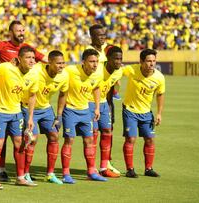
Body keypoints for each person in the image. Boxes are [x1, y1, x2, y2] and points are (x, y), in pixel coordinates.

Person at [0, 20, 47, 181]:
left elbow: (46, 59)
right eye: (18, 30)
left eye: (23, 30)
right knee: (0, 139)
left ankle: (23, 172)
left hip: (20, 101)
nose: (21, 33)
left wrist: (60, 67)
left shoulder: (29, 50)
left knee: (22, 138)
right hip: (2, 97)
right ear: (10, 33)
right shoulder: (1, 46)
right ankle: (1, 170)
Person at [0, 46, 38, 189]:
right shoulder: (5, 68)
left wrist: (30, 118)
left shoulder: (33, 75)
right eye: (28, 57)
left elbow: (32, 96)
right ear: (19, 59)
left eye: (33, 58)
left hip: (17, 113)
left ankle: (20, 177)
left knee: (20, 144)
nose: (31, 61)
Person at [21, 50, 68, 185]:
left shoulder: (63, 76)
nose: (61, 66)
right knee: (32, 140)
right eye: (58, 63)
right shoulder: (36, 71)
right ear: (49, 62)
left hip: (46, 109)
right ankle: (26, 173)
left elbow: (63, 94)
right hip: (28, 107)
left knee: (54, 136)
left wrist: (58, 115)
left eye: (63, 63)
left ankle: (50, 174)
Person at [61, 49, 107, 184]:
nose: (95, 64)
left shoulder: (97, 75)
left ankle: (91, 171)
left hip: (86, 111)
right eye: (92, 61)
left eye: (97, 61)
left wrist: (97, 107)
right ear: (83, 62)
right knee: (69, 140)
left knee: (89, 140)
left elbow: (97, 88)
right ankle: (65, 174)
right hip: (70, 110)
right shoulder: (70, 70)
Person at [122, 49, 165, 178]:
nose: (151, 64)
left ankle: (148, 169)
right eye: (148, 61)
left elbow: (160, 94)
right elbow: (116, 72)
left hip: (146, 112)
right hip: (130, 110)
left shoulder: (159, 77)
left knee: (150, 140)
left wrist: (159, 113)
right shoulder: (131, 70)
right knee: (131, 139)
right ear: (141, 61)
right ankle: (130, 169)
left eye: (153, 61)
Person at [87, 24, 121, 175]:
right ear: (92, 37)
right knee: (93, 133)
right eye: (99, 35)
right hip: (92, 97)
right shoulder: (89, 52)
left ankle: (106, 164)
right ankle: (93, 167)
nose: (102, 37)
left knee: (108, 130)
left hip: (107, 98)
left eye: (104, 34)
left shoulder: (108, 48)